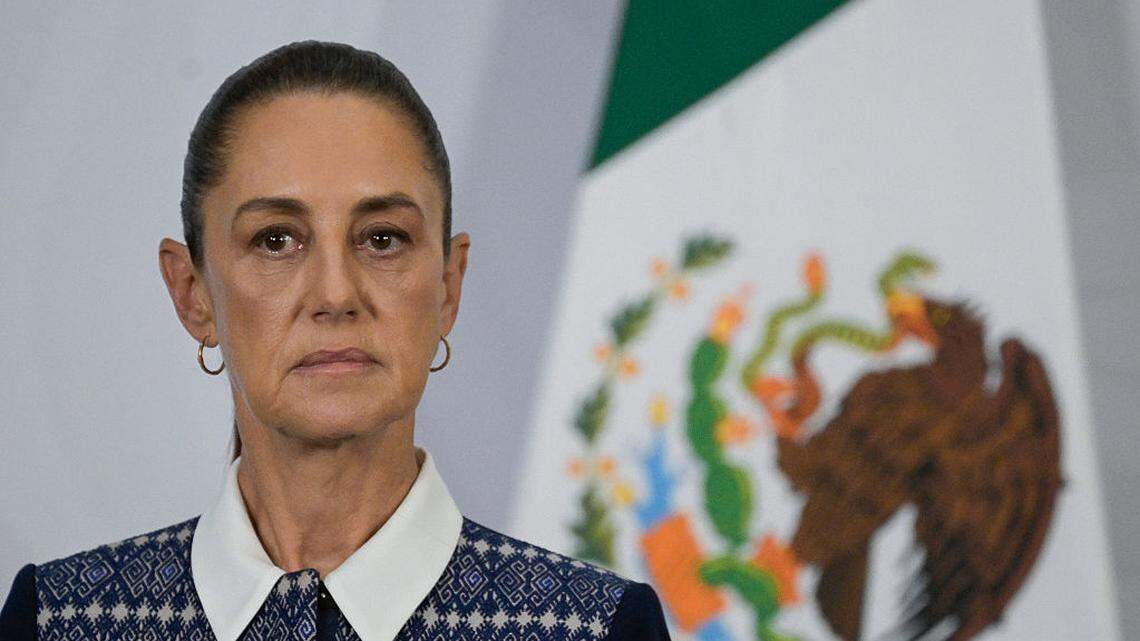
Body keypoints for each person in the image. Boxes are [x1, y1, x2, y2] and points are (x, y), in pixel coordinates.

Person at [0, 40, 670, 640]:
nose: (334, 293)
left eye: (383, 238)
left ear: (448, 285)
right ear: (192, 293)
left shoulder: (591, 626)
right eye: (276, 239)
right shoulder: (62, 619)